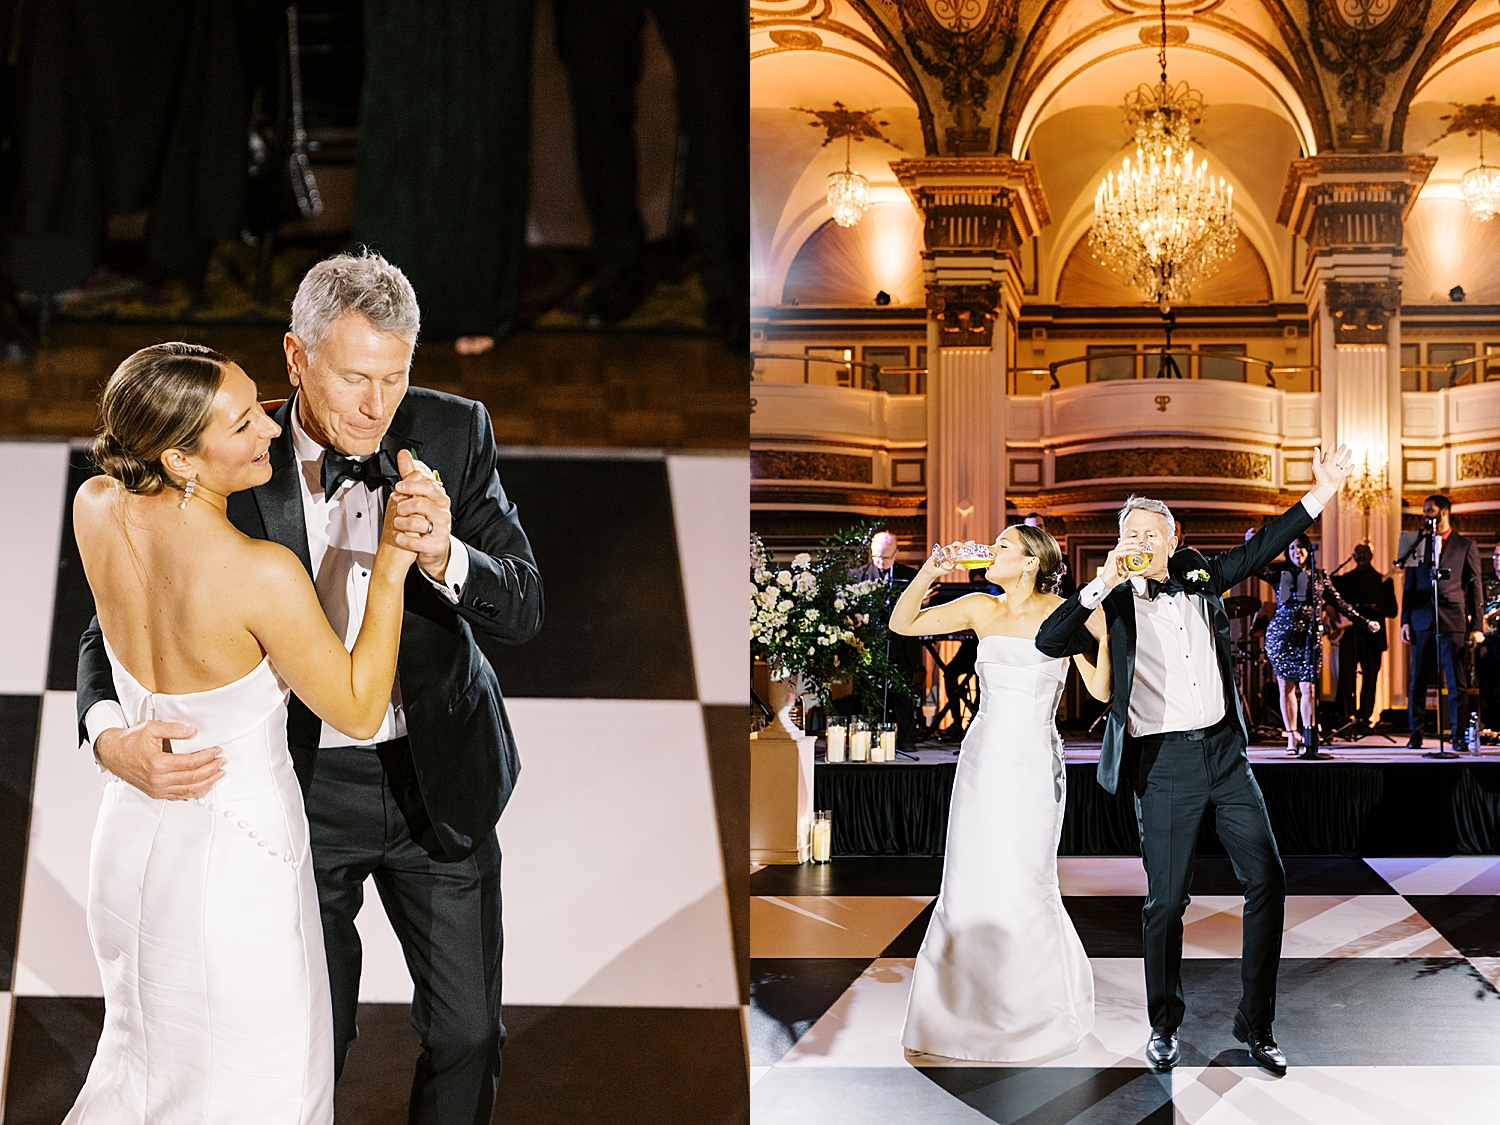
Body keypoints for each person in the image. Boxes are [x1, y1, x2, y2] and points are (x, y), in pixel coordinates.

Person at [78, 251, 544, 1125]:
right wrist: (107, 730)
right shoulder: (234, 460)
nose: (379, 406)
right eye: (355, 377)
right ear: (296, 360)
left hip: (436, 780)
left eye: (397, 376)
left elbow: (524, 604)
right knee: (305, 1047)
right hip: (295, 793)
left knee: (470, 1036)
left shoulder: (454, 430)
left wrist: (446, 555)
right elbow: (110, 618)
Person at [65, 343, 418, 1122]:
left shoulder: (95, 505)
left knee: (143, 1069)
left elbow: (108, 633)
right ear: (179, 457)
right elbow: (358, 708)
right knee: (264, 1090)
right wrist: (390, 567)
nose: (267, 427)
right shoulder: (259, 573)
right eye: (240, 424)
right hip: (239, 874)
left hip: (129, 847)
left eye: (258, 403)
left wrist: (107, 734)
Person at [1035, 444, 1356, 1076]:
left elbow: (1261, 549)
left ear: (1173, 538)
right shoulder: (1113, 600)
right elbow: (1051, 637)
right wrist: (1101, 581)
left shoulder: (1200, 574)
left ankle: (1256, 1026)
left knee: (1267, 879)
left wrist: (1320, 494)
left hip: (1225, 756)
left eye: (1152, 532)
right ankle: (1162, 1023)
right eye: (1130, 532)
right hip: (1163, 767)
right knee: (1166, 901)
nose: (1141, 541)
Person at [890, 526, 1110, 1062]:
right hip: (982, 759)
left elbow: (1101, 689)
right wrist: (931, 571)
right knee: (969, 878)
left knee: (1025, 879)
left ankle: (1032, 1013)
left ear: (1032, 562)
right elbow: (902, 623)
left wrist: (1099, 631)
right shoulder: (978, 608)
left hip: (1033, 762)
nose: (993, 551)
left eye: (1005, 546)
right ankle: (960, 1011)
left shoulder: (1067, 611)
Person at [1261, 536, 1378, 755]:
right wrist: (1253, 542)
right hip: (1281, 637)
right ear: (1288, 551)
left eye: (1302, 548)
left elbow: (1340, 603)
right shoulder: (1279, 574)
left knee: (1308, 688)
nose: (1298, 552)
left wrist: (1364, 621)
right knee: (1286, 687)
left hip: (1308, 638)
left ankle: (1308, 735)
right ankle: (1291, 736)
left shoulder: (1320, 576)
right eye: (1293, 548)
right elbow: (1256, 566)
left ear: (1309, 551)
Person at [1400, 494, 1484, 748]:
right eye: (1425, 511)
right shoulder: (1416, 543)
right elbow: (1409, 585)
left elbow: (1475, 587)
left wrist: (1477, 626)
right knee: (1417, 681)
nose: (1426, 515)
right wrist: (1405, 619)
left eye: (1430, 510)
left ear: (1444, 512)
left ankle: (1457, 737)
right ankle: (1416, 736)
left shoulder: (1465, 545)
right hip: (1421, 619)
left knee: (1456, 682)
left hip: (1452, 620)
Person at [849, 530, 924, 750]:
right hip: (869, 647)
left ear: (897, 553)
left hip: (901, 645)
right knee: (868, 695)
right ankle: (865, 741)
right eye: (876, 557)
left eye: (886, 557)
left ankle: (906, 741)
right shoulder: (859, 576)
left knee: (903, 694)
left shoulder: (910, 576)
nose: (881, 562)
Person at [1331, 543, 1399, 733]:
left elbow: (1392, 611)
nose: (1362, 556)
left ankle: (1364, 720)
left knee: (1370, 679)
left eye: (1365, 552)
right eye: (1358, 553)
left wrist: (1373, 607)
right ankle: (1344, 720)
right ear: (1353, 556)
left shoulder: (1383, 581)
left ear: (1371, 555)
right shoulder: (1344, 580)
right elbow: (1333, 602)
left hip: (1373, 637)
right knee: (1346, 678)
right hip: (1349, 635)